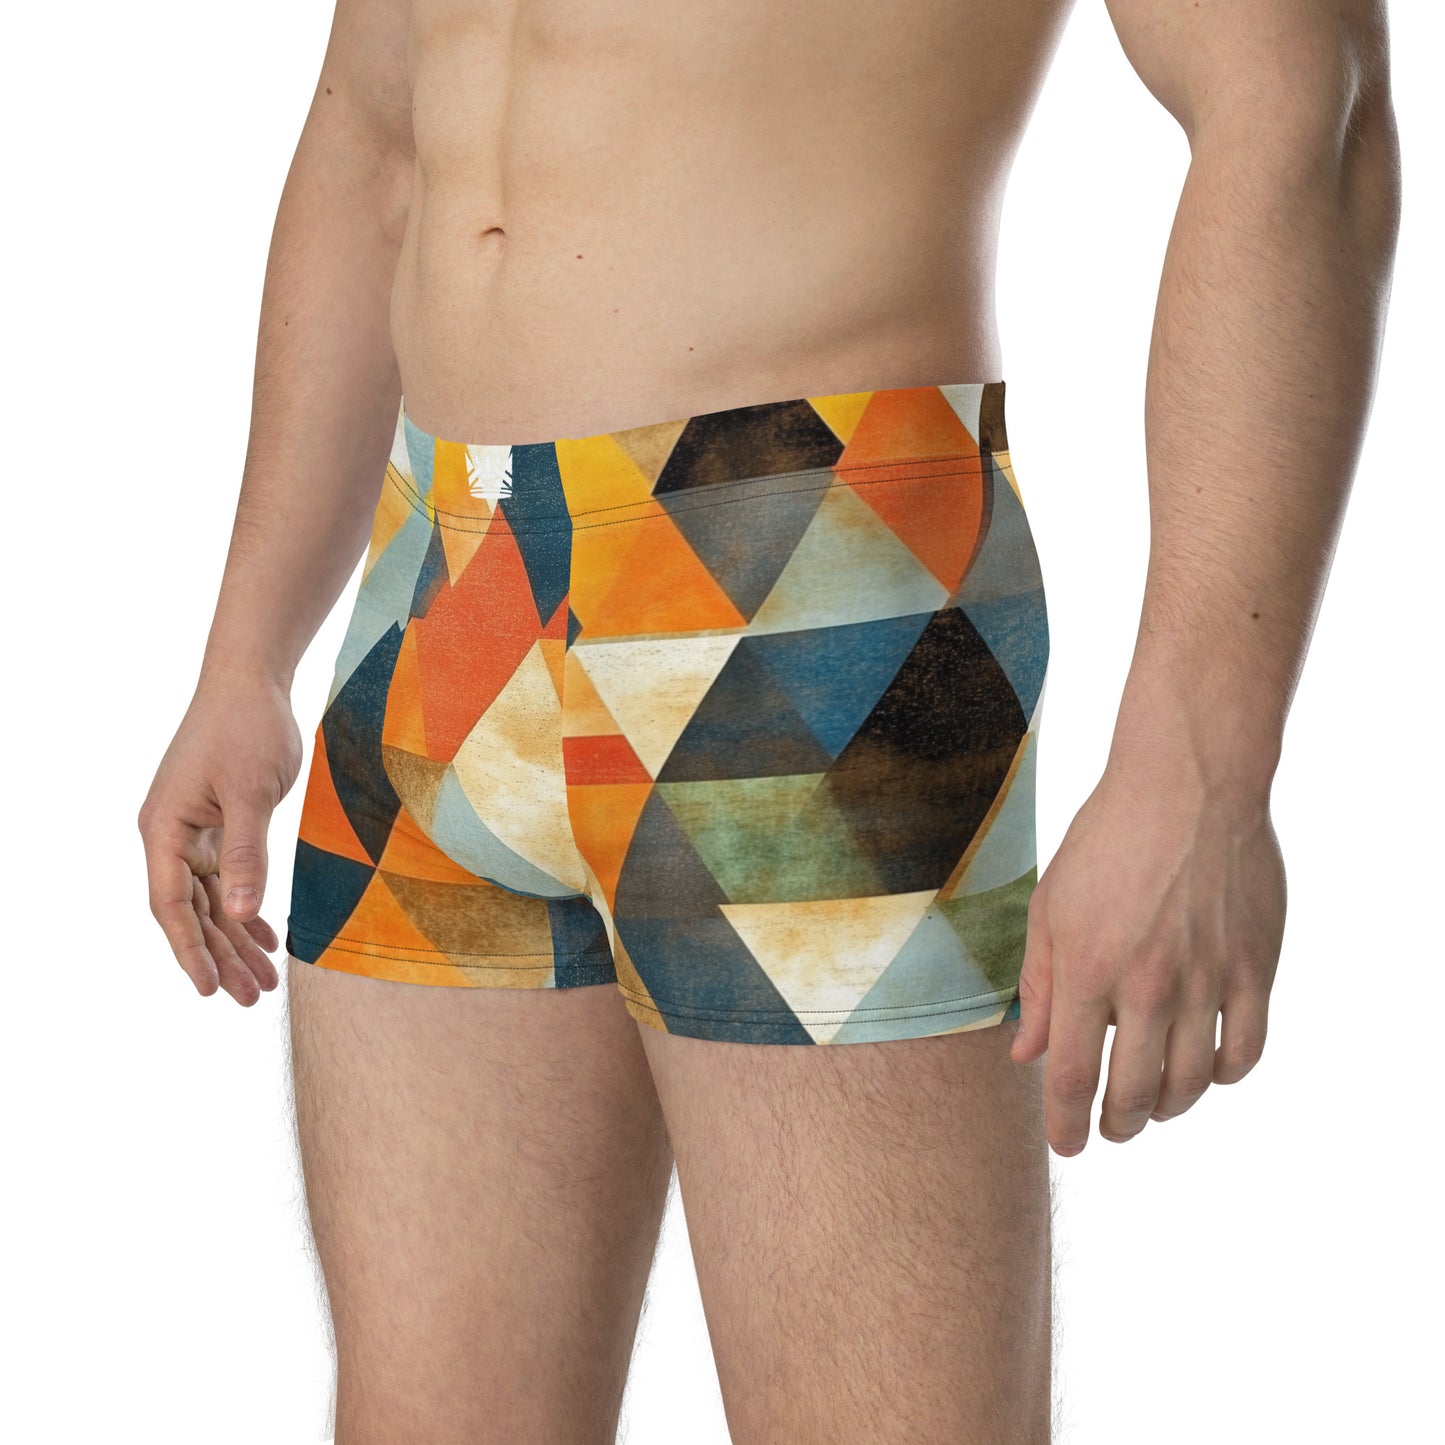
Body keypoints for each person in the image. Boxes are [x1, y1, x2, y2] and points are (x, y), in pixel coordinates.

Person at [137, 0, 1401, 1439]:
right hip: (443, 577)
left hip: (800, 561)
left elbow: (1300, 104)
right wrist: (247, 653)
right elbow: (375, 142)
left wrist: (1203, 760)